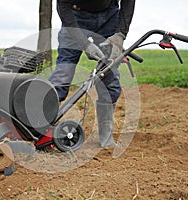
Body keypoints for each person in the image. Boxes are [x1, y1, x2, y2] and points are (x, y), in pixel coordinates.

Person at [49, 0, 136, 148]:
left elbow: (128, 2)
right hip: (75, 17)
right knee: (62, 76)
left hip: (109, 18)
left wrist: (120, 34)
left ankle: (106, 138)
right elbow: (63, 6)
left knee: (111, 82)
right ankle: (41, 130)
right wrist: (84, 44)